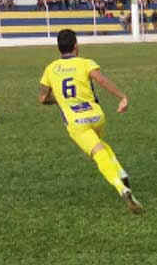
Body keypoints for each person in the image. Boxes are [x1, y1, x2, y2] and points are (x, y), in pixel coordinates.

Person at [39, 29, 142, 214]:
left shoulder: (50, 68)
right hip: (96, 116)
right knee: (100, 145)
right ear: (76, 46)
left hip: (76, 122)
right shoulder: (86, 63)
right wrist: (122, 97)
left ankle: (122, 188)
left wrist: (59, 100)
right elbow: (101, 80)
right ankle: (121, 171)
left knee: (97, 153)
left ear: (58, 48)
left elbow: (43, 97)